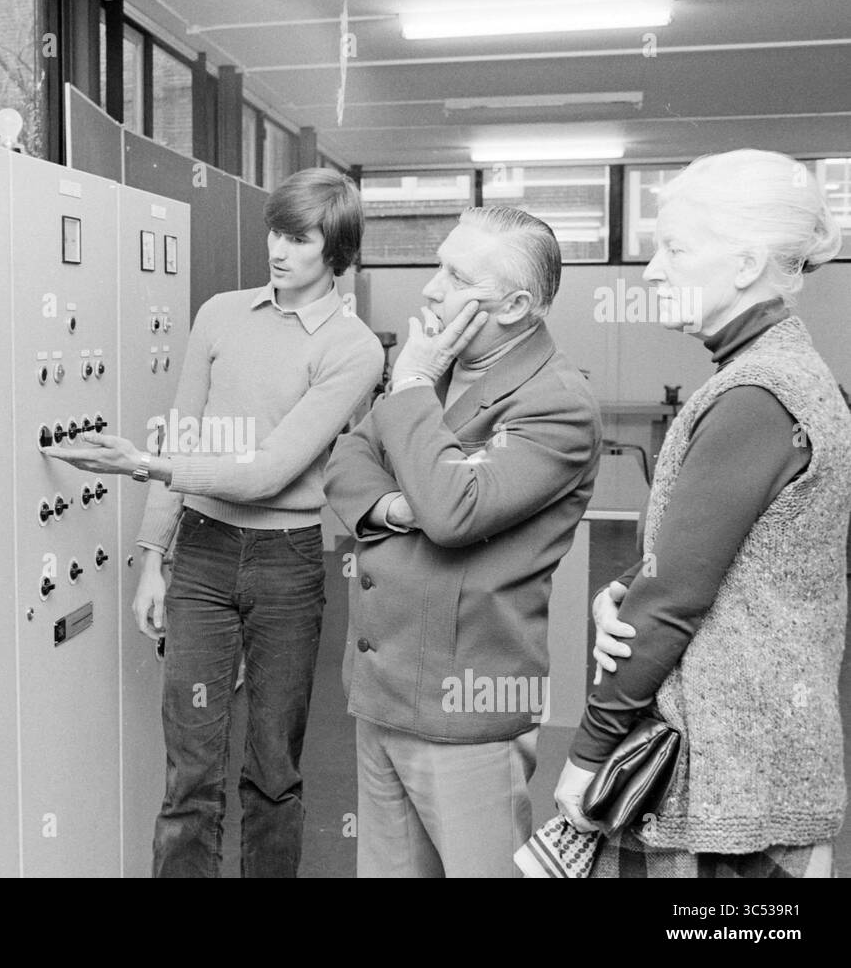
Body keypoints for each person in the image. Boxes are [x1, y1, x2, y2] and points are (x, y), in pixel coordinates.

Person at [43, 168, 383, 877]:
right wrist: (150, 560)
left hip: (285, 563)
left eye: (300, 238)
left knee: (272, 771)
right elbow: (183, 432)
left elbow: (268, 472)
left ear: (337, 249)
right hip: (199, 553)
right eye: (276, 232)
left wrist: (143, 465)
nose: (279, 250)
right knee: (190, 773)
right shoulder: (220, 313)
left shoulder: (354, 350)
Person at [554, 149, 850, 878]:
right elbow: (724, 559)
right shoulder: (787, 374)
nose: (652, 270)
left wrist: (588, 752)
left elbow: (679, 598)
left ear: (746, 264)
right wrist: (625, 592)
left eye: (675, 247)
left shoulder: (756, 395)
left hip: (736, 793)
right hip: (765, 771)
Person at [324, 206, 602, 877]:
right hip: (382, 687)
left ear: (515, 306)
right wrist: (399, 502)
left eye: (456, 275)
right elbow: (346, 463)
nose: (431, 288)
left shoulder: (556, 404)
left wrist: (412, 384)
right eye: (438, 265)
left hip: (463, 704)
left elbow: (452, 510)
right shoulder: (442, 369)